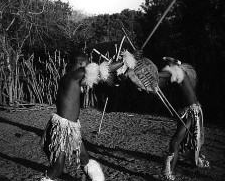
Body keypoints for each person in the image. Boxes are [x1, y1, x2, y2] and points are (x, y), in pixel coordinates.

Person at [39, 50, 135, 181]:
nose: (89, 66)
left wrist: (118, 73)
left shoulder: (74, 79)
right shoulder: (72, 76)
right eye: (87, 64)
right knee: (58, 168)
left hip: (71, 128)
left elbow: (102, 75)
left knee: (84, 158)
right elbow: (102, 69)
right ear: (80, 63)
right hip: (61, 129)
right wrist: (125, 60)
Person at [158, 57, 209, 180]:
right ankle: (193, 161)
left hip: (191, 111)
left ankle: (168, 171)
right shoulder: (179, 77)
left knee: (175, 142)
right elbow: (161, 81)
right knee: (184, 140)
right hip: (189, 110)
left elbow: (162, 74)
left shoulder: (178, 73)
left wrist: (147, 72)